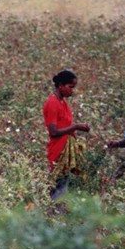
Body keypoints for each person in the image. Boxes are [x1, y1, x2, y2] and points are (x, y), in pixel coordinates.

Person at [43, 69, 90, 199]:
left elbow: (64, 126)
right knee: (58, 189)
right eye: (70, 87)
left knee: (63, 187)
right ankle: (55, 216)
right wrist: (76, 127)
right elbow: (53, 132)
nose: (72, 91)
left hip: (65, 152)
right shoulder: (52, 103)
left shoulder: (63, 102)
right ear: (60, 85)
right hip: (58, 152)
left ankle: (57, 215)